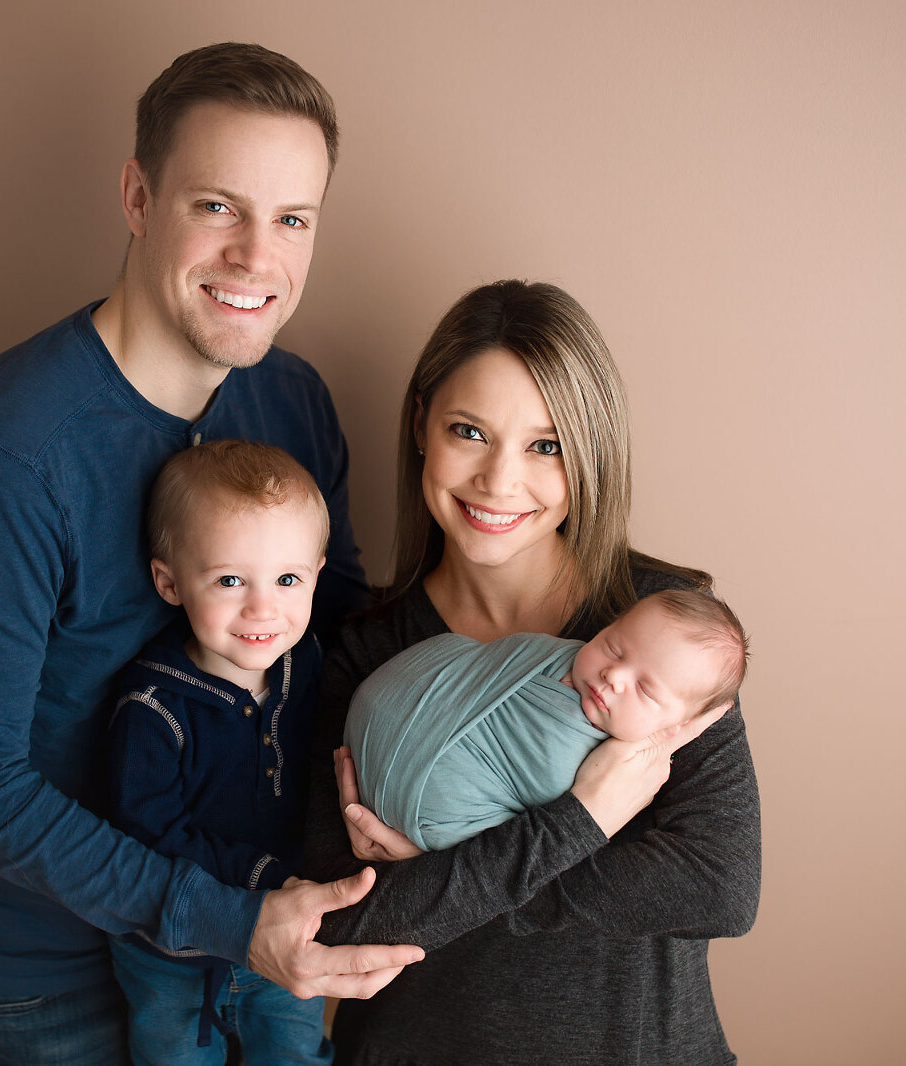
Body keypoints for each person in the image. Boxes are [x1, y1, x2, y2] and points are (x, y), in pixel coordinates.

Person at [0, 43, 422, 1066]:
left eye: (291, 219)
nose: (255, 259)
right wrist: (224, 917)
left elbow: (336, 628)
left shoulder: (290, 400)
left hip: (252, 928)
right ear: (138, 196)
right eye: (217, 207)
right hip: (46, 975)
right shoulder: (2, 459)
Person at [302, 279, 762, 1065]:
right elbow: (343, 923)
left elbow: (717, 886)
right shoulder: (361, 650)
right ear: (421, 425)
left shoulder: (661, 629)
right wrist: (581, 820)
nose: (499, 480)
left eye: (545, 446)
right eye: (469, 431)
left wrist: (449, 873)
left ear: (587, 455)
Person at [105, 440, 335, 1065]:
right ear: (169, 582)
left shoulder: (309, 667)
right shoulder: (153, 705)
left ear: (317, 569)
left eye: (288, 580)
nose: (263, 608)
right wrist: (263, 877)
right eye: (230, 580)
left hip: (288, 935)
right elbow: (148, 830)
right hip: (170, 956)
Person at [346, 588, 748, 851]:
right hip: (382, 722)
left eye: (644, 689)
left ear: (676, 727)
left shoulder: (627, 759)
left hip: (424, 802)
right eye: (612, 647)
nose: (614, 676)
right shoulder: (552, 655)